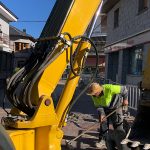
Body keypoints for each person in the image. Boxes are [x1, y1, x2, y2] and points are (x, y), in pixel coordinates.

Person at [86, 82, 128, 149]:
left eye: (95, 94)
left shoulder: (109, 88)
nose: (93, 95)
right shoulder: (93, 95)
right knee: (103, 123)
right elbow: (98, 106)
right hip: (104, 108)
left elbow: (124, 90)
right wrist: (102, 114)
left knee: (117, 125)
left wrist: (125, 100)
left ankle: (120, 141)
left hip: (115, 107)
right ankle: (103, 140)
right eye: (92, 94)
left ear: (99, 91)